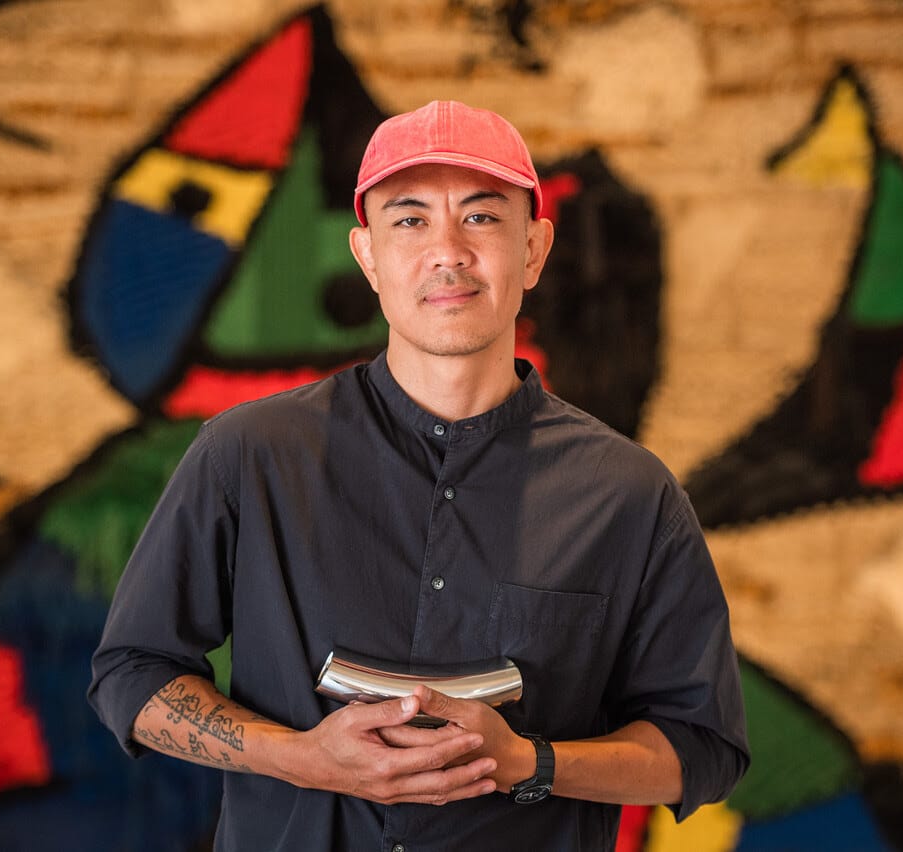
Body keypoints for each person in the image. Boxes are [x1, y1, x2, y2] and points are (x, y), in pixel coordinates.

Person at [89, 99, 749, 850]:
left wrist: (528, 762)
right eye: (409, 220)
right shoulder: (249, 453)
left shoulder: (629, 493)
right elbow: (131, 676)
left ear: (533, 249)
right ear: (366, 255)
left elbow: (701, 749)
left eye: (482, 218)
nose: (449, 252)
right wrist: (304, 759)